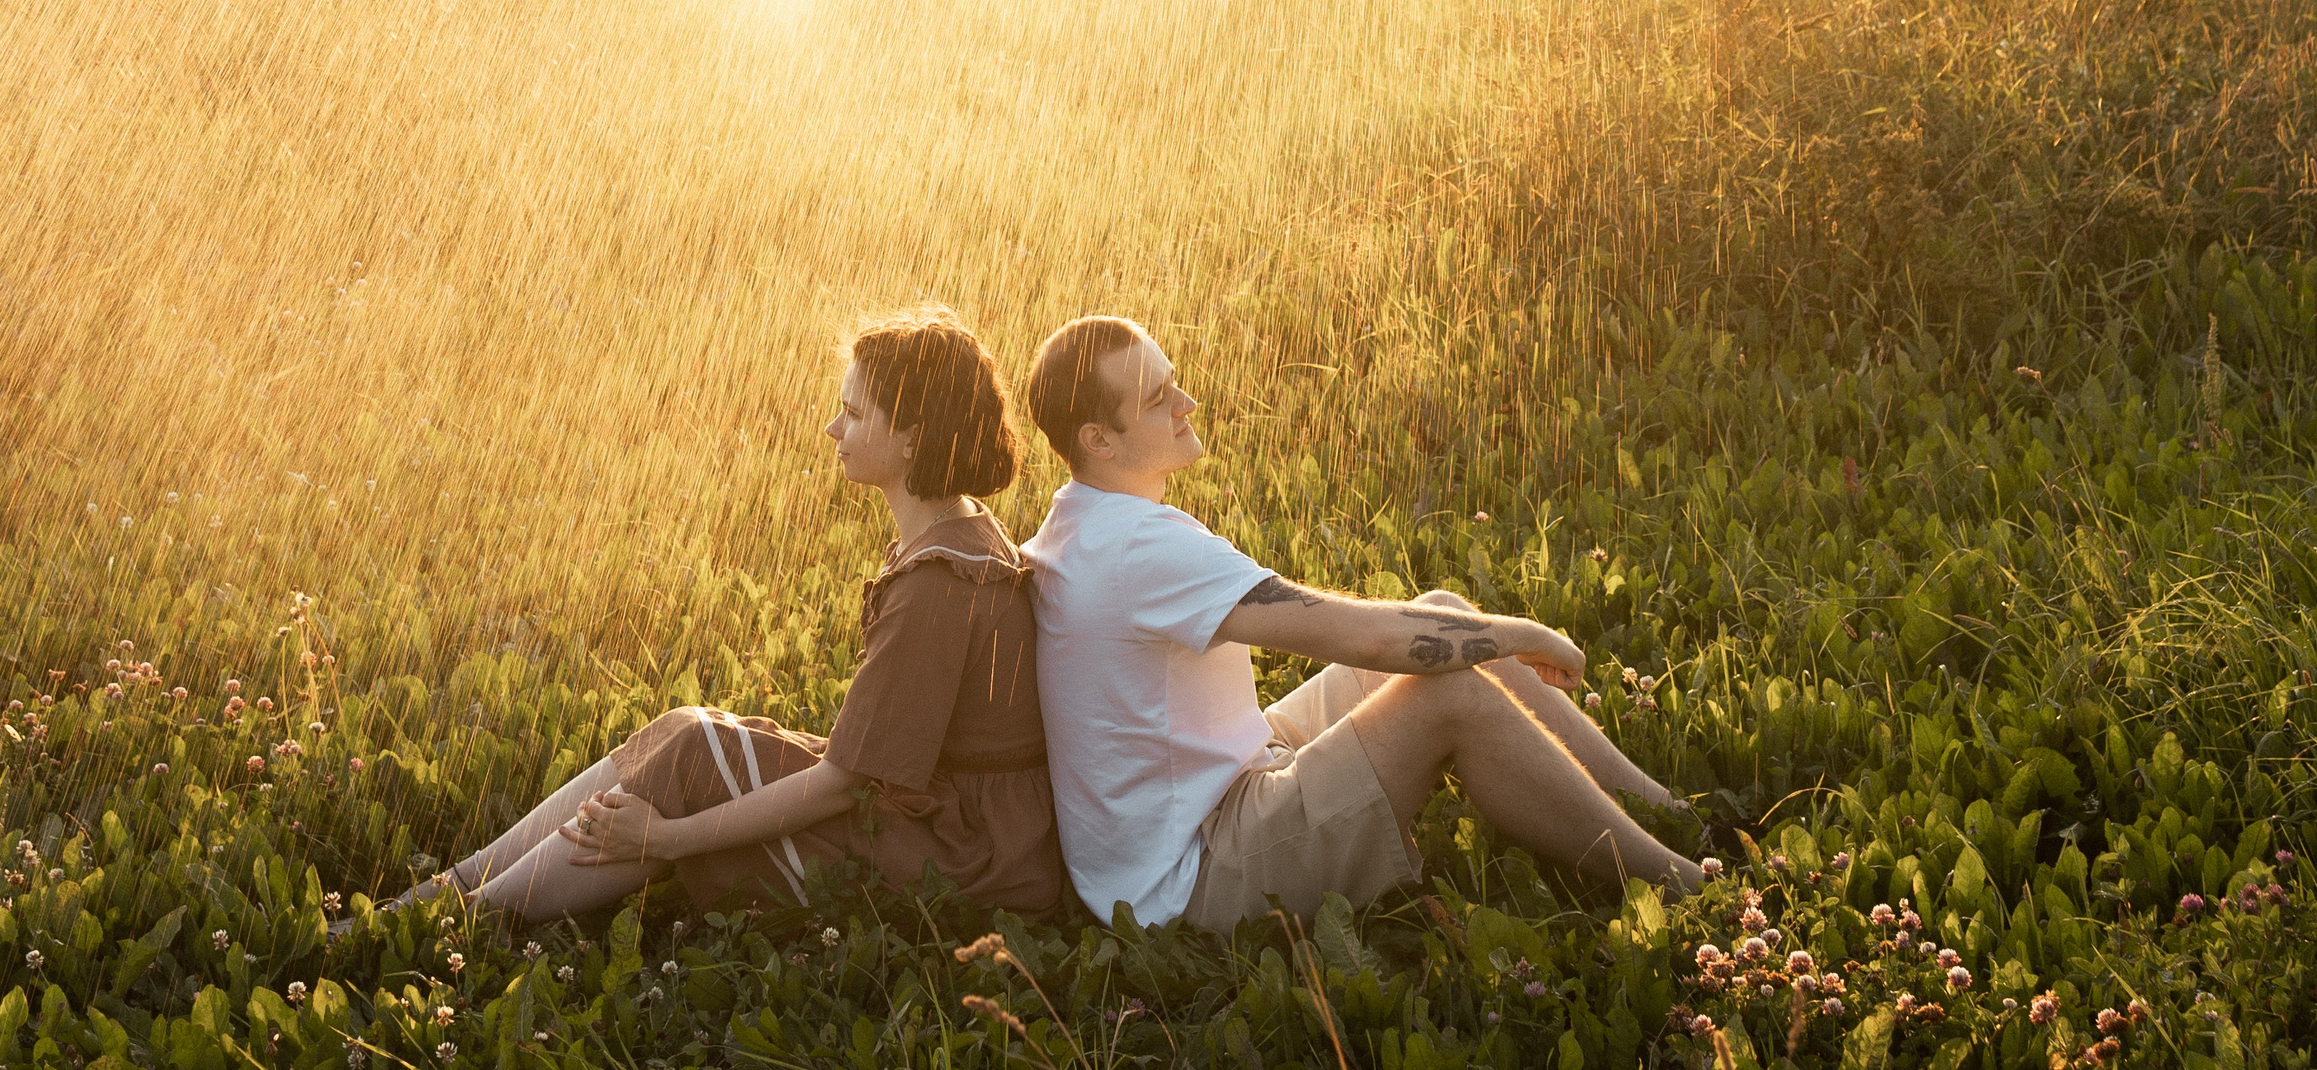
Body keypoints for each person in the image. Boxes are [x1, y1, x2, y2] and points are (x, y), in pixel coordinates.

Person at [372, 309, 1059, 924]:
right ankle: (446, 893)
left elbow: (842, 782)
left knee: (695, 762)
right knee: (684, 729)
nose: (832, 428)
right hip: (965, 822)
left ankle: (458, 923)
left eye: (853, 412)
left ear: (912, 436)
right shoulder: (957, 529)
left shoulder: (936, 581)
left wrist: (667, 838)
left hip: (968, 861)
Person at [1018, 315, 1698, 933]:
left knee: (1445, 613)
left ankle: (1672, 813)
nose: (1185, 403)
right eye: (1156, 397)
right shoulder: (1138, 546)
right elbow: (1357, 635)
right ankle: (1687, 886)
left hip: (1211, 782)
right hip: (1194, 874)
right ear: (1098, 439)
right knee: (1449, 688)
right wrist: (1525, 635)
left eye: (1175, 380)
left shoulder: (1079, 519)